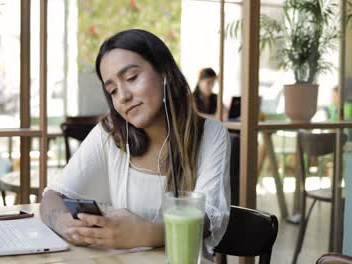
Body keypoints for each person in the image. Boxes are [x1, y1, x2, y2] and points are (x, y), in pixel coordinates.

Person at [40, 29, 230, 256]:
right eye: (112, 90)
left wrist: (144, 233)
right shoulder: (111, 133)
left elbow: (210, 218)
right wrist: (65, 224)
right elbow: (52, 196)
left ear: (164, 72)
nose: (123, 96)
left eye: (131, 78)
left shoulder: (211, 133)